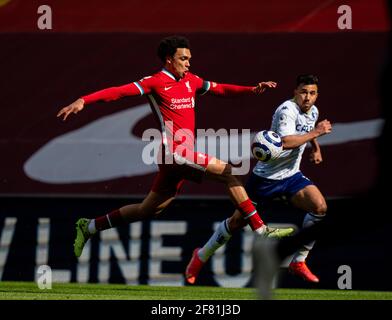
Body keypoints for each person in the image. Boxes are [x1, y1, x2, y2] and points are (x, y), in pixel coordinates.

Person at [56, 35, 294, 259]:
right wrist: (83, 100)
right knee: (229, 173)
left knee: (148, 210)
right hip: (175, 153)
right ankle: (260, 229)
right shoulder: (155, 82)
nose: (188, 63)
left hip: (179, 157)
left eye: (189, 58)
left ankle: (89, 226)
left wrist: (252, 89)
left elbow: (220, 88)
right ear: (169, 60)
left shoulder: (191, 81)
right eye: (184, 58)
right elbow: (119, 92)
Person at [185, 74, 332, 284]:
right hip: (265, 179)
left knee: (319, 207)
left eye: (312, 93)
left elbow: (307, 130)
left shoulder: (313, 111)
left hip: (291, 176)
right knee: (236, 223)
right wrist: (317, 132)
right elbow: (286, 141)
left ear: (317, 95)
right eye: (303, 92)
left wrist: (315, 147)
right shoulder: (286, 111)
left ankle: (299, 261)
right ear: (295, 92)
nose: (307, 97)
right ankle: (201, 256)